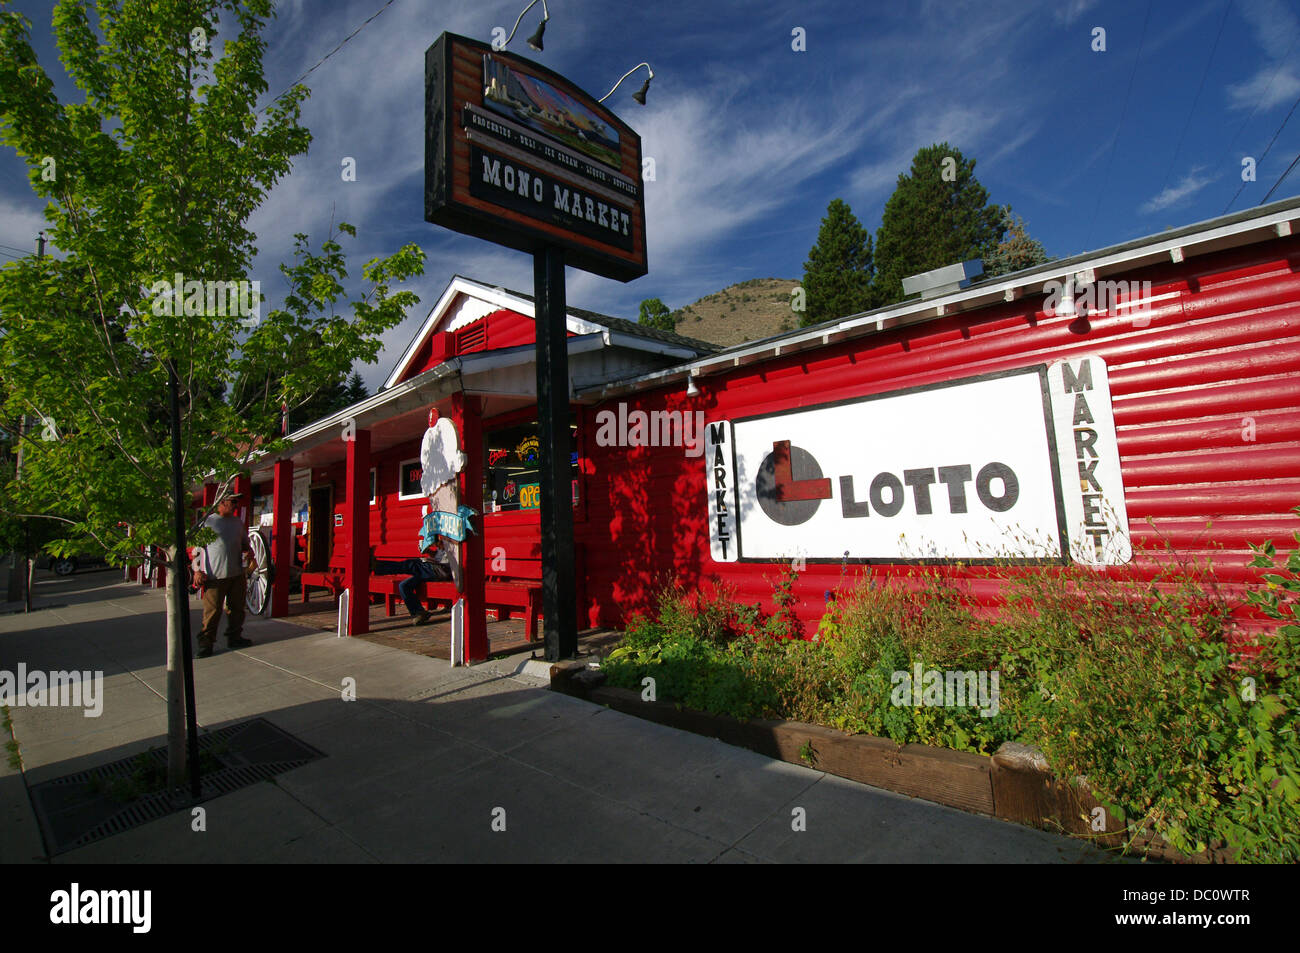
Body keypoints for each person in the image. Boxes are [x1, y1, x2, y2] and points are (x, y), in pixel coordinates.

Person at [193, 496, 254, 657]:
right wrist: (197, 570)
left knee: (237, 609)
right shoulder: (208, 522)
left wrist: (248, 551)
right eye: (232, 502)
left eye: (236, 502)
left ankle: (234, 637)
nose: (235, 505)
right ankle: (206, 643)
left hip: (236, 573)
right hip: (215, 576)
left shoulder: (237, 523)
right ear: (222, 503)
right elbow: (197, 550)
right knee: (212, 611)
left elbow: (245, 544)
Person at [370, 541, 460, 626]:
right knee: (403, 586)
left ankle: (377, 567)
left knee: (410, 564)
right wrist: (429, 551)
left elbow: (451, 557)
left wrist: (442, 545)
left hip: (441, 571)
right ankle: (419, 613)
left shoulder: (452, 538)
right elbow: (438, 556)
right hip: (431, 569)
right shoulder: (441, 538)